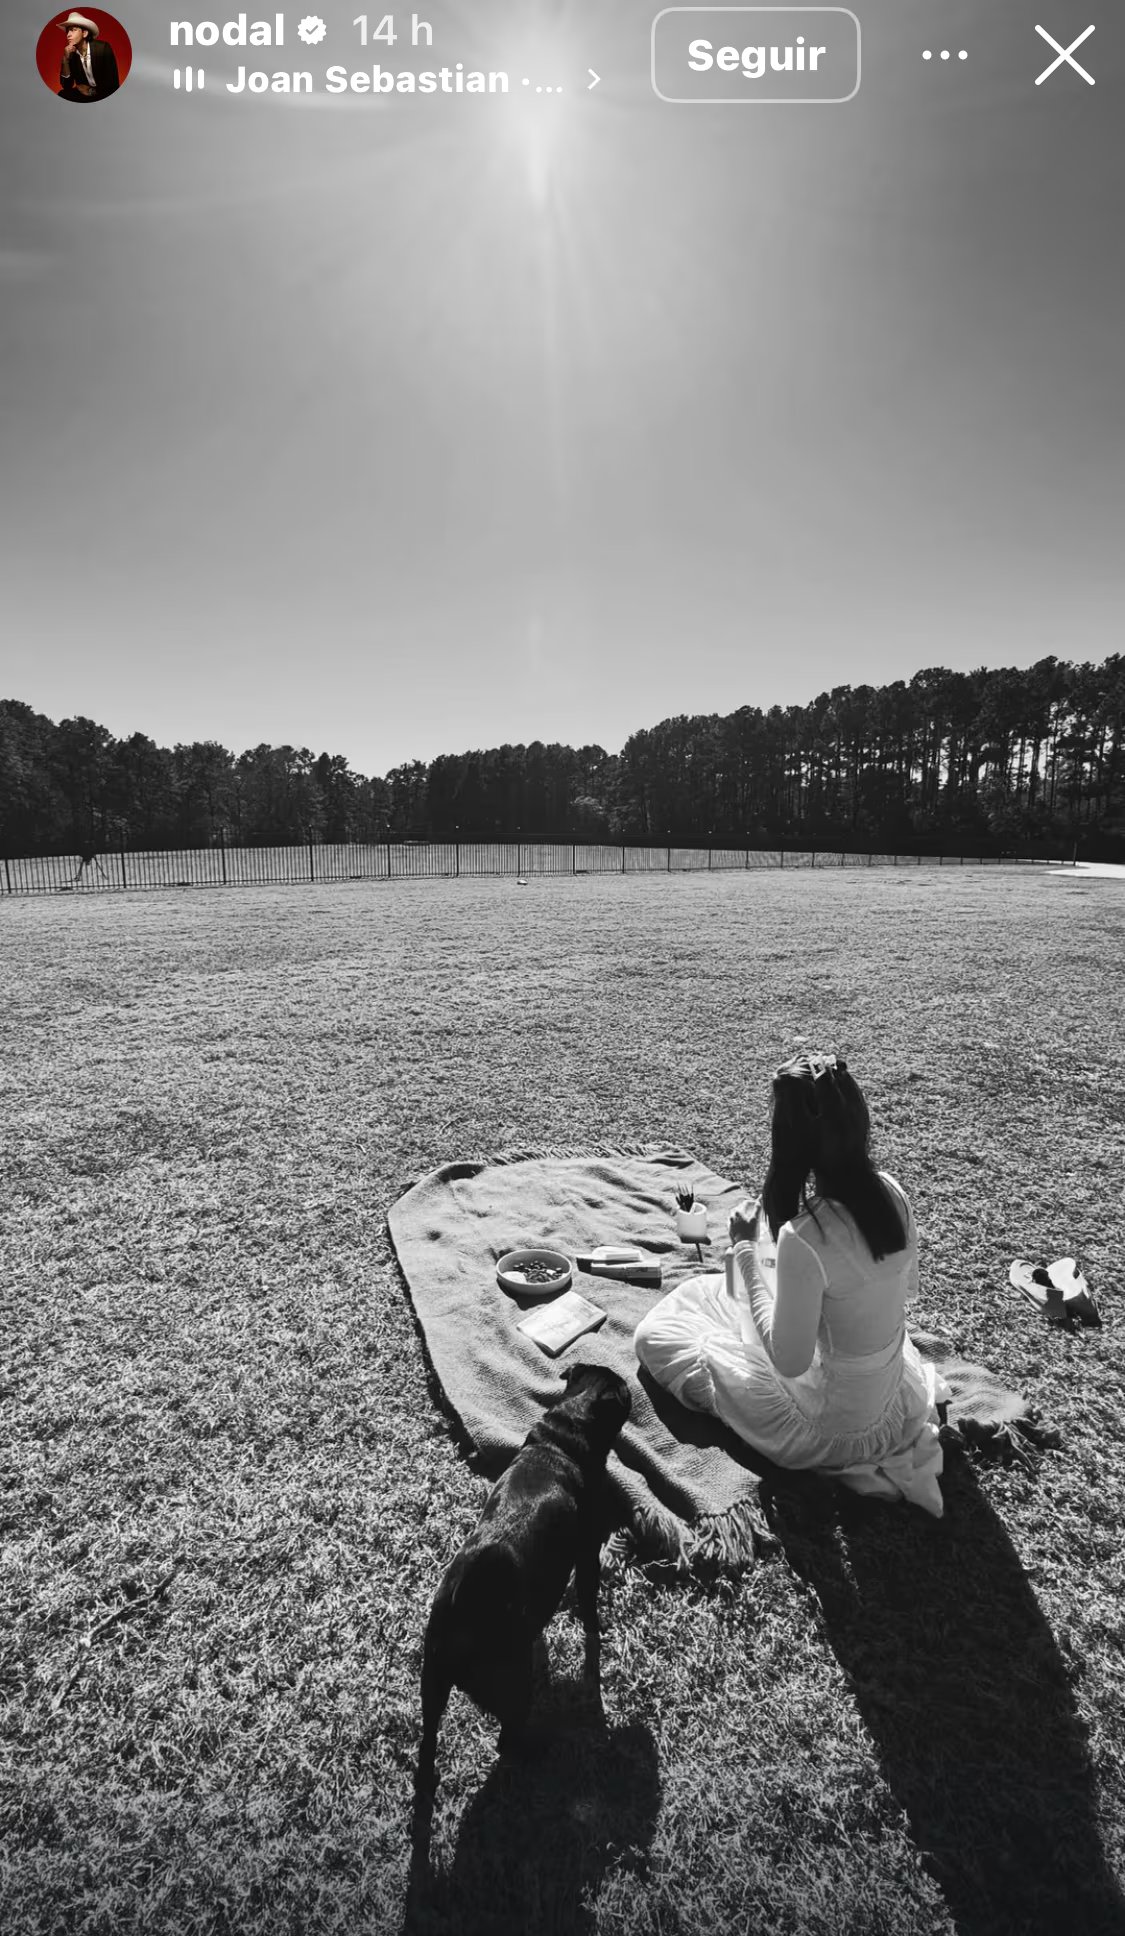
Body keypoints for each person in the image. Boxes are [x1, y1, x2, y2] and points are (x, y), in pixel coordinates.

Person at [634, 1052, 947, 1515]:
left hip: (829, 1432)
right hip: (891, 1403)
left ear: (791, 1140)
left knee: (656, 1335)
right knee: (712, 1294)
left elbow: (789, 1361)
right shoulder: (892, 1192)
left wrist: (745, 1248)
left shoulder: (807, 1236)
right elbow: (903, 1289)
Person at [56, 11, 120, 101]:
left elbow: (113, 83)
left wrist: (91, 91)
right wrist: (65, 59)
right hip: (83, 94)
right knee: (62, 94)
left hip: (104, 93)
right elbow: (67, 86)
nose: (68, 35)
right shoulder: (71, 54)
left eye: (73, 30)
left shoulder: (103, 48)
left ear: (84, 33)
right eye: (67, 31)